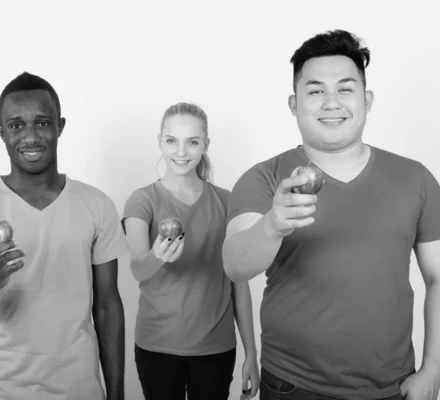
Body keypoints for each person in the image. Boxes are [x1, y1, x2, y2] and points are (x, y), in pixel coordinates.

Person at [222, 29, 440, 400]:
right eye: (315, 90)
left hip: (393, 387)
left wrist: (433, 369)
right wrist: (273, 225)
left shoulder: (415, 177)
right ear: (294, 104)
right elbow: (235, 264)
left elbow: (438, 278)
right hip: (292, 385)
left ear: (366, 99)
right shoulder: (266, 178)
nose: (331, 102)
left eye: (345, 88)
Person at [0, 71, 129, 400]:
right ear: (1, 132)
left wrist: (117, 394)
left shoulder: (96, 204)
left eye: (42, 123)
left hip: (80, 390)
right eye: (16, 125)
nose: (30, 137)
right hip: (3, 390)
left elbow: (108, 306)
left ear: (60, 126)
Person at [122, 102, 260, 400]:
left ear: (205, 145)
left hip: (216, 349)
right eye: (172, 141)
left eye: (192, 142)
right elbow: (137, 269)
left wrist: (252, 352)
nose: (181, 152)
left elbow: (239, 283)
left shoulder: (226, 201)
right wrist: (157, 256)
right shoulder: (142, 200)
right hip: (157, 346)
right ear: (160, 141)